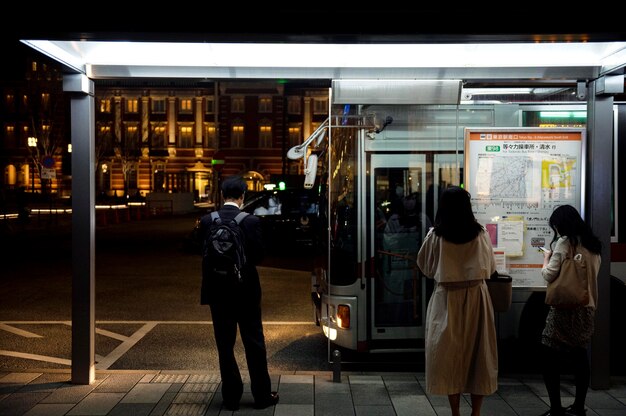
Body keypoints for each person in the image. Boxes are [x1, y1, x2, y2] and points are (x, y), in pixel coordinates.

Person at [199, 175, 279, 411]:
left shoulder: (207, 221)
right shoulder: (251, 221)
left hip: (217, 291)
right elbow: (258, 256)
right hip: (246, 291)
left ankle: (231, 397)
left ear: (222, 195)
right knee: (254, 342)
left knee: (225, 344)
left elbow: (202, 253)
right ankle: (262, 395)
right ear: (243, 196)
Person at [417, 186, 498, 416]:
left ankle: (455, 412)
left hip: (446, 299)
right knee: (479, 356)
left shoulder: (436, 235)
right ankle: (477, 412)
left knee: (447, 356)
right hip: (477, 298)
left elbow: (425, 266)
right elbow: (491, 267)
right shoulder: (481, 233)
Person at [539, 204, 601, 416]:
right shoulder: (593, 245)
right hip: (587, 307)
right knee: (579, 354)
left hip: (565, 308)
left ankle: (556, 407)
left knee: (549, 354)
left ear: (561, 225)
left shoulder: (565, 242)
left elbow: (549, 275)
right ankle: (578, 406)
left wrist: (546, 258)